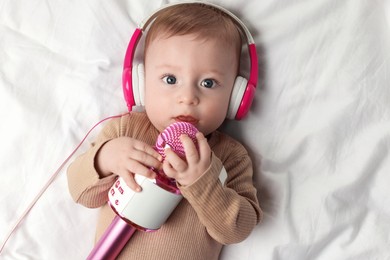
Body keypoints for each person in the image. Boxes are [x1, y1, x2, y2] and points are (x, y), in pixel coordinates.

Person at [67, 2, 262, 259]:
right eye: (170, 80)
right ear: (139, 83)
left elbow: (237, 230)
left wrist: (203, 183)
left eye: (208, 82)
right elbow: (81, 192)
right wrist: (105, 159)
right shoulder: (125, 131)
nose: (188, 97)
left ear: (236, 97)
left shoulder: (229, 156)